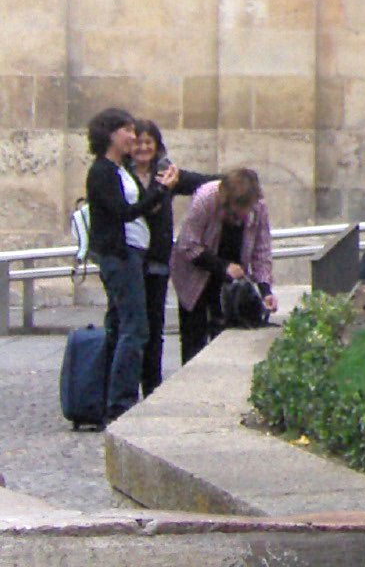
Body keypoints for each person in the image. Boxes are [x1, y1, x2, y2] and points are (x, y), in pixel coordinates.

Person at [83, 106, 171, 423]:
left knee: (122, 326)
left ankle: (112, 397)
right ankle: (120, 402)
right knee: (135, 328)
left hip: (133, 253)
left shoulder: (121, 169)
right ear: (111, 134)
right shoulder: (102, 171)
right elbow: (124, 211)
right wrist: (158, 192)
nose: (133, 138)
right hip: (119, 255)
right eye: (128, 131)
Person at [127, 120, 213, 398]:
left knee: (154, 327)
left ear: (157, 145)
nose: (143, 147)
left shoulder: (166, 172)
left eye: (148, 142)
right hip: (128, 258)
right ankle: (122, 388)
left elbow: (202, 181)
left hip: (157, 259)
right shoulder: (122, 175)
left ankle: (152, 387)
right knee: (128, 326)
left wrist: (237, 177)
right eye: (138, 142)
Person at [172, 168, 276, 363]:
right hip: (195, 272)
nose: (244, 213)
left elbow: (261, 251)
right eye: (240, 207)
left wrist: (265, 290)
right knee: (194, 338)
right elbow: (187, 244)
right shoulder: (206, 198)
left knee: (227, 332)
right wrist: (222, 267)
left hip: (231, 281)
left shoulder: (258, 206)